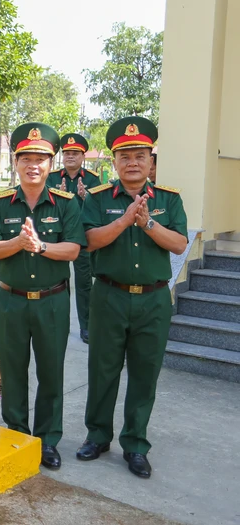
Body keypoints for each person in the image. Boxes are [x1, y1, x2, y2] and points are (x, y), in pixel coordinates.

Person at [76, 117, 187, 479]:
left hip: (153, 302)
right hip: (109, 296)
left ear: (151, 161)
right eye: (124, 156)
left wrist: (148, 224)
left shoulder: (169, 199)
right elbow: (90, 241)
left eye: (140, 155)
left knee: (144, 375)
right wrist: (125, 221)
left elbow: (180, 243)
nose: (133, 163)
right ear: (114, 162)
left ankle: (136, 444)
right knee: (102, 371)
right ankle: (98, 436)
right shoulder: (97, 199)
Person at [0, 123, 86, 470]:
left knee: (51, 372)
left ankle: (47, 440)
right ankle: (17, 433)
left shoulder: (67, 204)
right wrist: (18, 243)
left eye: (41, 159)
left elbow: (72, 250)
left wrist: (40, 246)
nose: (33, 165)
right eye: (26, 158)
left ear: (51, 164)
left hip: (53, 301)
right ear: (16, 162)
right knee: (12, 371)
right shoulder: (0, 203)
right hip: (10, 300)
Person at [46, 133, 102, 344]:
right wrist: (56, 198)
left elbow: (98, 210)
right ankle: (55, 324)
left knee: (84, 283)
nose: (70, 157)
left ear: (82, 156)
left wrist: (85, 198)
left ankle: (86, 326)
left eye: (75, 153)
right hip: (57, 238)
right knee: (55, 281)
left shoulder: (92, 179)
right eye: (67, 153)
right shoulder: (52, 178)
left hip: (82, 238)